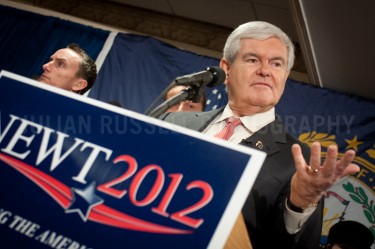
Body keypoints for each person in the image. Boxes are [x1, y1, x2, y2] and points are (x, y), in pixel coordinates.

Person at [161, 21, 360, 248]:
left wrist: (299, 205)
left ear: (285, 76)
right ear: (226, 69)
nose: (265, 70)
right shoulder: (174, 121)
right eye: (253, 59)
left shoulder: (296, 158)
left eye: (276, 63)